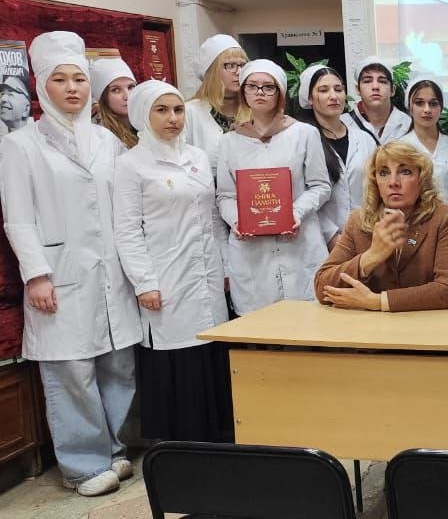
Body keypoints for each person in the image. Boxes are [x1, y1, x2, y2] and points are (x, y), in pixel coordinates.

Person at [0, 31, 141, 497]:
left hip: (110, 271)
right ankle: (82, 465)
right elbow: (18, 219)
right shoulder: (21, 145)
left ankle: (114, 449)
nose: (72, 88)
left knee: (117, 364)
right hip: (59, 272)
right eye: (60, 80)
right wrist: (37, 274)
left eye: (79, 79)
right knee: (72, 370)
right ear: (42, 86)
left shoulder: (106, 141)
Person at [113, 80, 232, 442]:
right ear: (142, 115)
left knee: (209, 347)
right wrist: (145, 283)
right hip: (165, 277)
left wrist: (225, 267)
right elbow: (127, 230)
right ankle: (180, 444)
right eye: (162, 110)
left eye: (178, 110)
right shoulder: (131, 165)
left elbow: (213, 217)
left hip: (207, 273)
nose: (173, 118)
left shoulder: (197, 157)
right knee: (176, 354)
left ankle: (217, 438)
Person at [216, 60, 332, 315]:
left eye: (269, 87)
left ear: (280, 93)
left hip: (299, 244)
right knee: (259, 328)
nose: (260, 92)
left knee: (307, 324)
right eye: (252, 86)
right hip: (251, 251)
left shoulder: (304, 133)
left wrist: (295, 213)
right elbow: (224, 196)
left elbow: (320, 186)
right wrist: (237, 220)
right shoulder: (229, 142)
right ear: (243, 92)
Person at [314, 140, 448, 311]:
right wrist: (370, 257)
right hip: (368, 326)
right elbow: (322, 288)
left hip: (426, 324)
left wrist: (377, 301)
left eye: (405, 172)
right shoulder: (358, 220)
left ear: (422, 179)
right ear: (375, 181)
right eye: (384, 173)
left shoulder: (445, 218)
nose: (393, 182)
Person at [298, 63, 377, 246]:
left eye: (338, 89)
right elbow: (300, 194)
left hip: (366, 237)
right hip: (320, 242)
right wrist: (333, 237)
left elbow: (376, 189)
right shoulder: (302, 141)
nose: (333, 96)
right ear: (309, 98)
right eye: (323, 90)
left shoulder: (364, 139)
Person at [183, 33, 247, 170]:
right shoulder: (189, 112)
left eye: (242, 65)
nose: (239, 72)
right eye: (230, 65)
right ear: (211, 71)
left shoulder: (254, 109)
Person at [403, 76, 448, 206]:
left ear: (441, 107)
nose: (427, 110)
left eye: (433, 104)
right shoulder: (399, 149)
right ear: (409, 107)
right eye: (419, 103)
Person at [345, 56, 411, 146]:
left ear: (392, 90)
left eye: (382, 81)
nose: (375, 87)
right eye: (367, 81)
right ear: (357, 89)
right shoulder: (342, 124)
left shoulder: (409, 125)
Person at [90, 57, 137, 149]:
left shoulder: (149, 122)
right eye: (116, 90)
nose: (127, 96)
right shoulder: (99, 137)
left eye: (131, 87)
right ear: (102, 97)